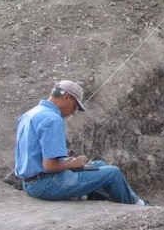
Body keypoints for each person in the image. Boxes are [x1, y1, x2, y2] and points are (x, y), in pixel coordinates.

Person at [14, 80, 148, 205]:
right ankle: (137, 207)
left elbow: (36, 155)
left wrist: (68, 162)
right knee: (112, 173)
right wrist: (73, 163)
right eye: (75, 106)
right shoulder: (53, 120)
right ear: (67, 97)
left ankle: (111, 201)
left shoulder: (30, 114)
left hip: (30, 182)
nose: (73, 112)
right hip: (46, 184)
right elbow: (49, 165)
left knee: (99, 165)